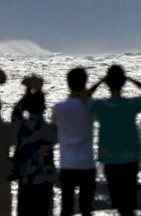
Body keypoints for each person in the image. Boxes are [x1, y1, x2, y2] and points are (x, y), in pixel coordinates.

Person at [88, 65, 141, 216]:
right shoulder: (130, 104)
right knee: (130, 201)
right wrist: (130, 80)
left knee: (117, 201)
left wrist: (100, 81)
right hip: (131, 157)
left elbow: (84, 97)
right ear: (123, 83)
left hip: (110, 158)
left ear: (108, 84)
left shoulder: (101, 106)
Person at [51, 67, 96, 216]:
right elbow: (87, 101)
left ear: (68, 83)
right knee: (86, 208)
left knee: (66, 206)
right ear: (85, 83)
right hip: (87, 163)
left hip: (67, 164)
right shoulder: (90, 107)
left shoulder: (58, 108)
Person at [15, 91, 57, 216]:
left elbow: (16, 112)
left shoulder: (21, 127)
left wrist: (26, 93)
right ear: (44, 108)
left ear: (27, 107)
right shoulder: (52, 129)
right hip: (45, 180)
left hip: (26, 179)